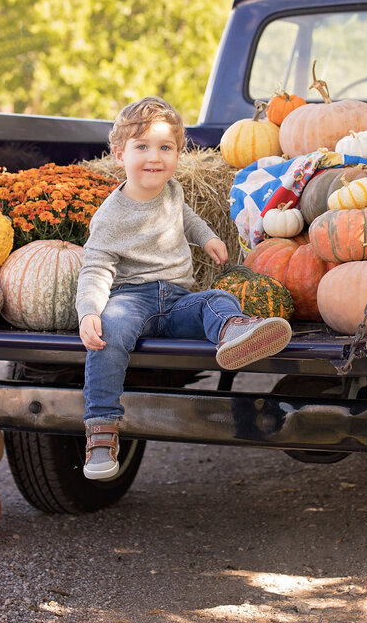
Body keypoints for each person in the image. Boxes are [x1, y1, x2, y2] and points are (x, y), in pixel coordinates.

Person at [75, 96, 292, 481]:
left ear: (179, 153)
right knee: (111, 331)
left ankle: (235, 332)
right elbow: (95, 268)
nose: (154, 157)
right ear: (119, 153)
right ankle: (102, 429)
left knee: (217, 299)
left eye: (165, 147)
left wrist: (208, 238)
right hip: (131, 299)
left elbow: (186, 217)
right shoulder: (109, 216)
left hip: (176, 300)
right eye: (142, 147)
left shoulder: (172, 189)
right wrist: (89, 311)